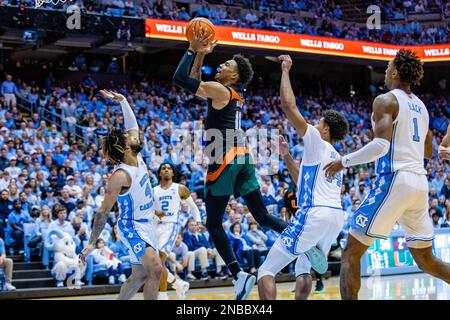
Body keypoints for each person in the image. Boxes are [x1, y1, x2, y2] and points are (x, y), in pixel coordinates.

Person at [173, 27, 326, 300]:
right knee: (264, 217)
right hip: (243, 158)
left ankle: (239, 274)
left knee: (214, 225)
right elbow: (196, 84)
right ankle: (305, 243)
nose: (220, 64)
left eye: (227, 64)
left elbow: (180, 79)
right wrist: (200, 56)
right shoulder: (234, 92)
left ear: (234, 75)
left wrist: (192, 48)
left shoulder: (221, 91)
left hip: (224, 160)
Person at [324, 49, 450, 300]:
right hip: (419, 183)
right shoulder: (422, 107)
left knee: (351, 252)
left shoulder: (385, 100)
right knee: (426, 259)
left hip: (395, 179)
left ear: (394, 72)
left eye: (387, 66)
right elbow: (427, 151)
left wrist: (343, 161)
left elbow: (381, 146)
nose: (384, 71)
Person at [257, 55, 349, 301]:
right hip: (334, 217)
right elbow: (303, 183)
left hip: (314, 213)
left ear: (326, 129)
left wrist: (285, 70)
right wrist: (287, 157)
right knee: (304, 267)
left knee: (266, 270)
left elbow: (289, 106)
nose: (314, 125)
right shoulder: (336, 156)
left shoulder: (317, 141)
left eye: (318, 123)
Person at [80, 89, 162, 300]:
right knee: (155, 270)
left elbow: (132, 126)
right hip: (131, 225)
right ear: (124, 148)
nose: (134, 136)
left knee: (139, 276)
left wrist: (124, 100)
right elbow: (103, 210)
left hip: (147, 223)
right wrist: (91, 242)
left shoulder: (134, 151)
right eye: (128, 138)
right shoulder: (120, 175)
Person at [152, 162, 198, 300]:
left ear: (173, 173)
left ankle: (163, 295)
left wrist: (198, 222)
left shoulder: (180, 188)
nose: (166, 170)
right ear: (159, 173)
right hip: (155, 227)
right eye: (163, 168)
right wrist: (155, 215)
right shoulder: (153, 190)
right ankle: (178, 284)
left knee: (160, 258)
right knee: (154, 264)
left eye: (169, 168)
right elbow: (148, 212)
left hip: (170, 226)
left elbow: (194, 207)